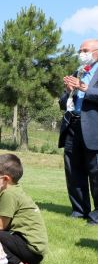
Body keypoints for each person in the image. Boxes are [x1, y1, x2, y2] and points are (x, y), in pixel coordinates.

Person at [0, 154, 48, 264]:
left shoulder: (9, 194)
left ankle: (17, 263)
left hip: (31, 252)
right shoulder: (12, 189)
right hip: (33, 251)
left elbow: (0, 225)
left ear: (5, 179)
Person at [58, 39, 98, 224]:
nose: (81, 53)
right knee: (73, 170)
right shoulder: (79, 72)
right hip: (72, 125)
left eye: (85, 50)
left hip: (93, 127)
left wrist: (85, 89)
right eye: (80, 50)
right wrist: (68, 91)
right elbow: (62, 103)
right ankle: (79, 210)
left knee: (95, 172)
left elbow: (89, 92)